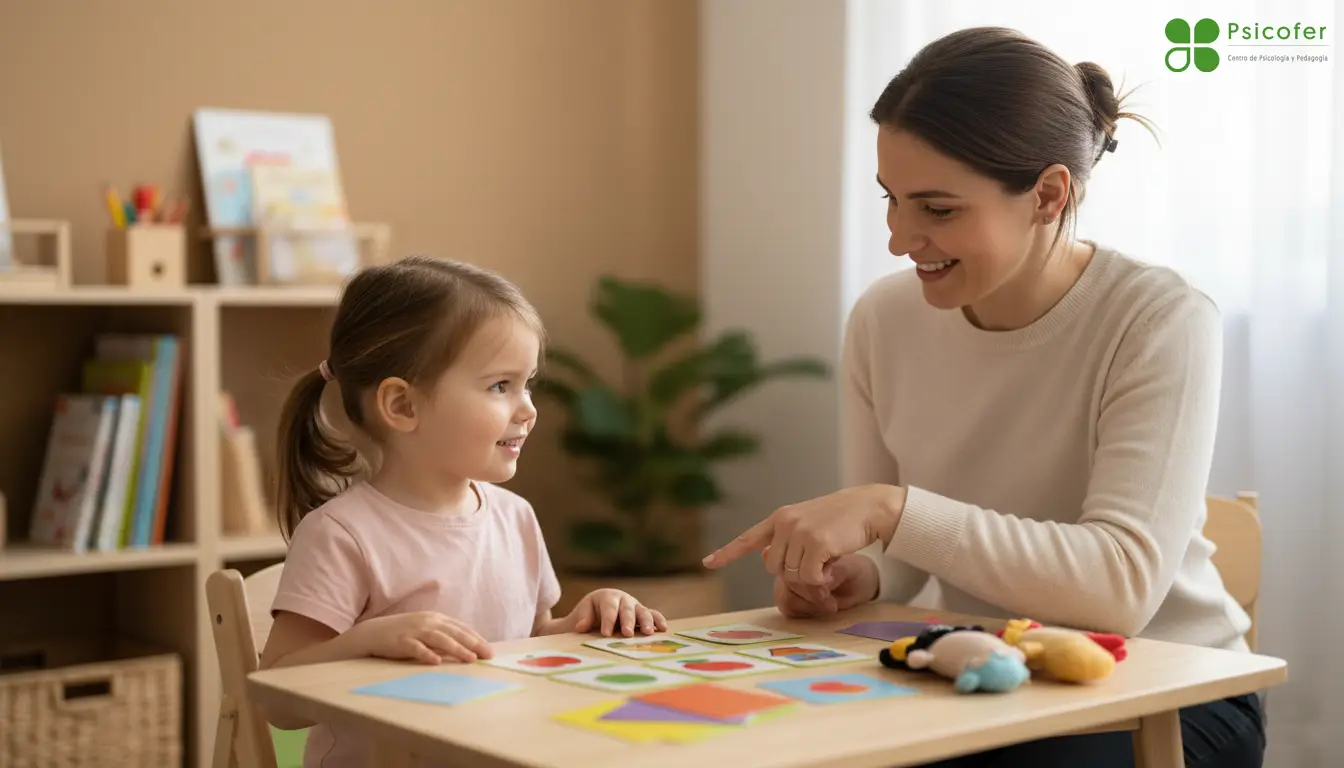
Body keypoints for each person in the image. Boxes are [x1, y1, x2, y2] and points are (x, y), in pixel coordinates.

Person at [701, 27, 1265, 768]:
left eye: (937, 209)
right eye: (891, 200)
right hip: (976, 674)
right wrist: (851, 577)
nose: (901, 238)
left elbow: (1120, 587)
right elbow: (899, 560)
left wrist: (892, 510)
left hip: (1165, 690)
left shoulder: (1158, 319)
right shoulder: (884, 318)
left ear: (1048, 194)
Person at [258, 256, 668, 768]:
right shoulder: (342, 534)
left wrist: (590, 618)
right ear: (403, 406)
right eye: (501, 386)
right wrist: (370, 639)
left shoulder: (515, 517)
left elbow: (527, 641)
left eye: (529, 383)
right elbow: (277, 698)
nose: (528, 409)